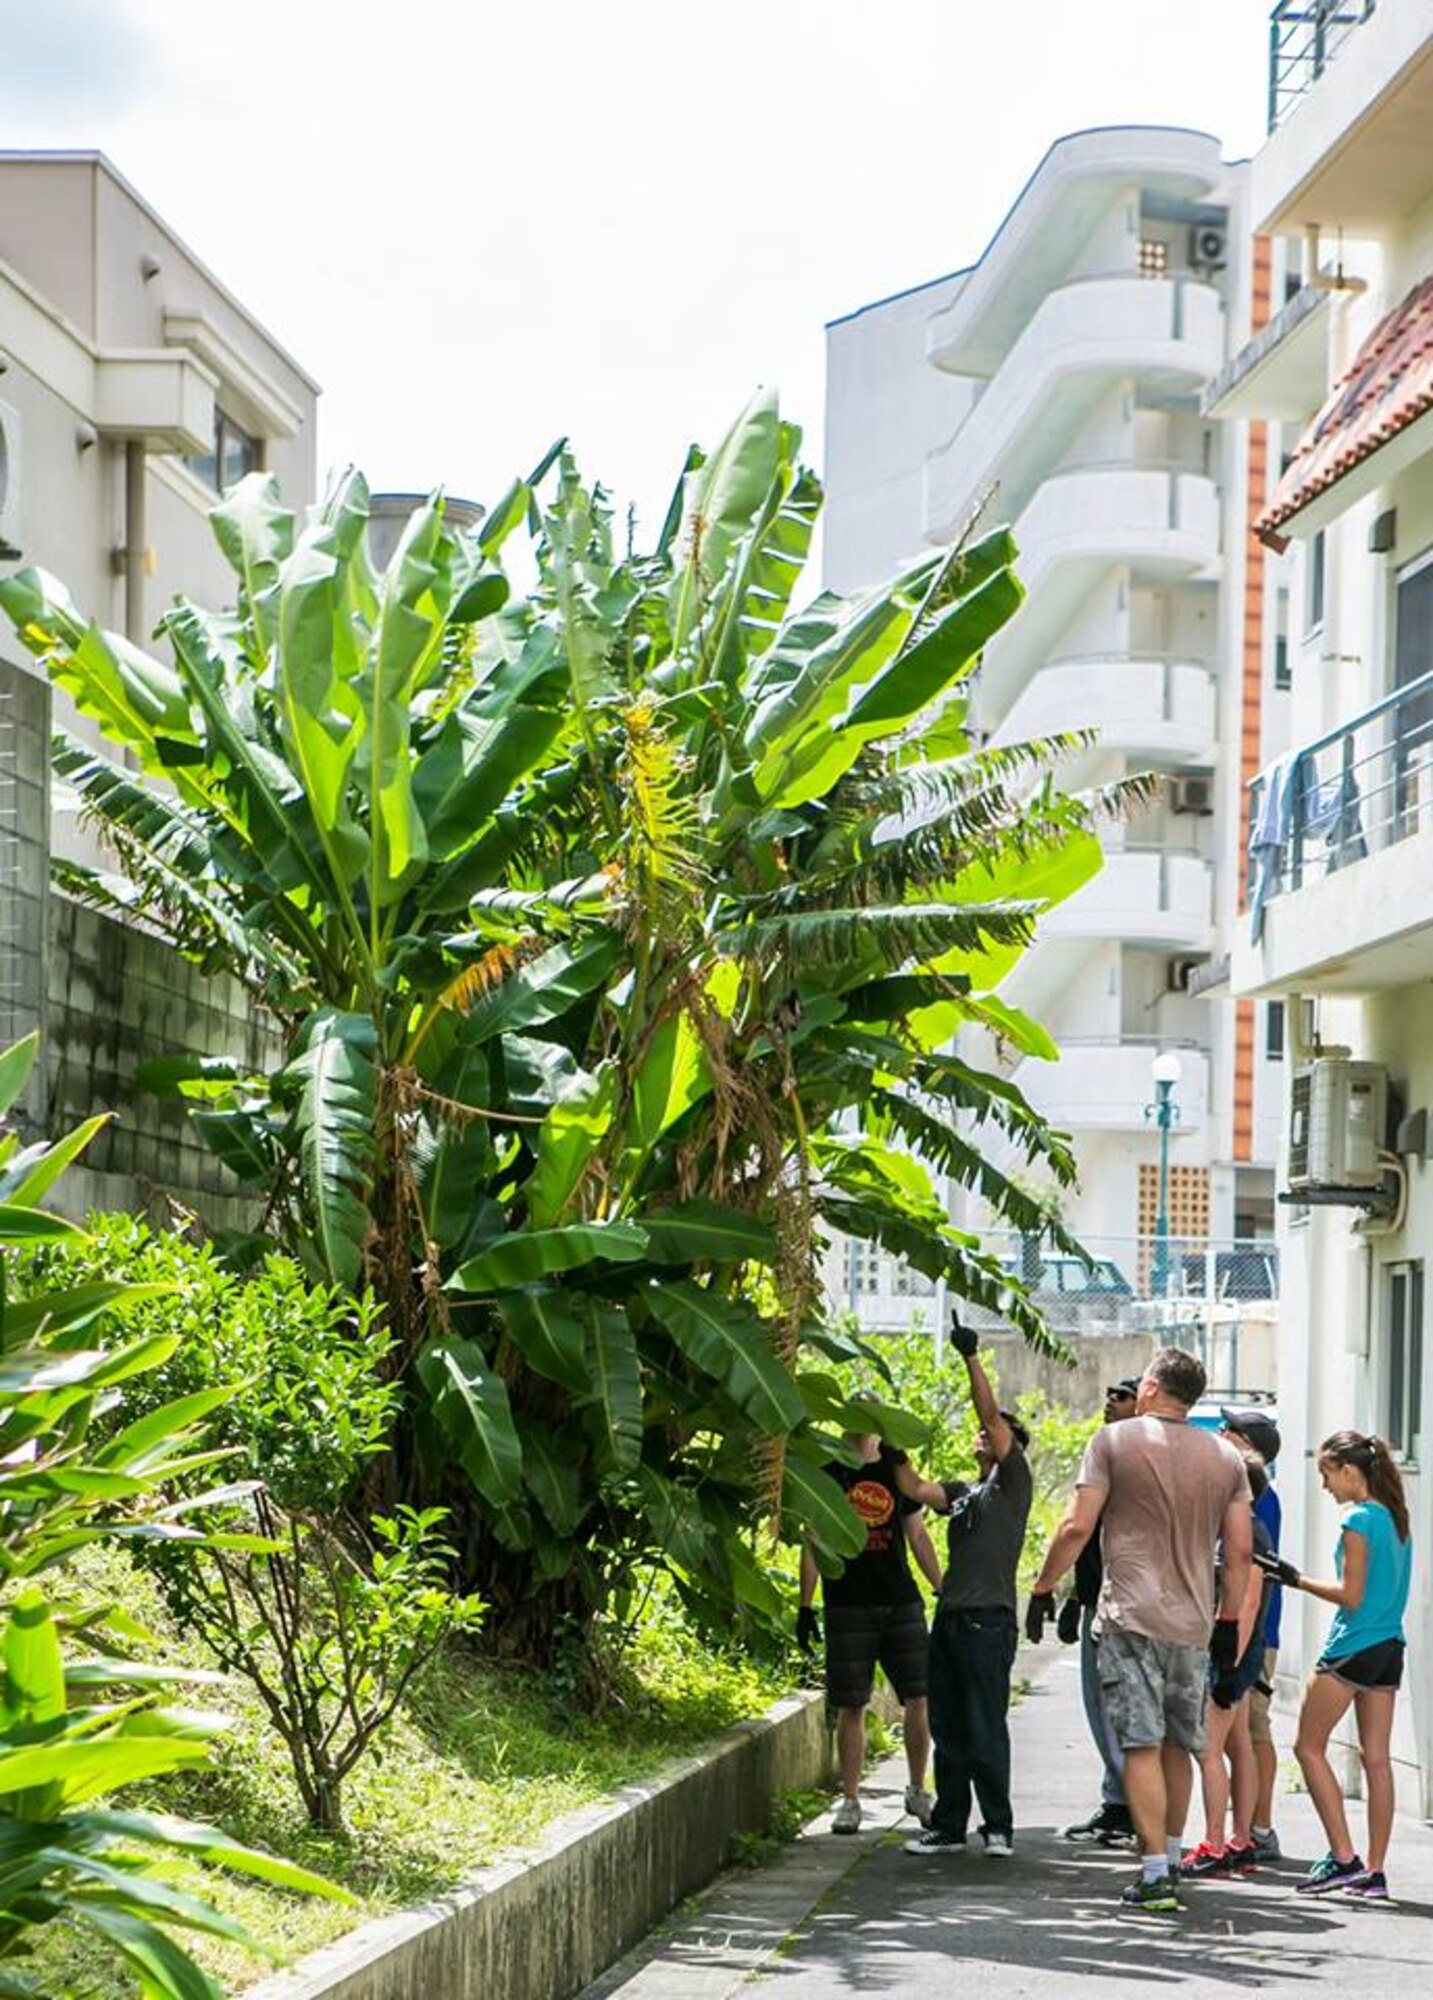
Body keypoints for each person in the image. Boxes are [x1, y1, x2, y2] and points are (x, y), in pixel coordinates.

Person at [1026, 1347, 1251, 1915]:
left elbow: (1076, 1526)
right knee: (1178, 1742)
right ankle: (1170, 1857)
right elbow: (1240, 1554)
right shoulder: (1225, 1458)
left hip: (1130, 1617)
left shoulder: (1114, 1441)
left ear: (1150, 1387)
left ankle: (1154, 1874)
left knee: (1141, 1744)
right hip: (1193, 1624)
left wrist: (1043, 1586)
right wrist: (1228, 1622)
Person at [903, 1315, 1033, 1860]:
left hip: (988, 1622)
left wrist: (970, 1358)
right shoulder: (963, 1492)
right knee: (949, 1727)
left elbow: (989, 1414)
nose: (984, 1433)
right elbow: (913, 1488)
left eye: (996, 1432)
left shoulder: (1013, 1483)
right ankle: (950, 1827)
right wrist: (886, 1438)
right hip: (952, 1619)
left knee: (984, 1727)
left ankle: (997, 1826)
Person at [1272, 1430, 1413, 1900]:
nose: (1326, 1486)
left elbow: (1351, 1596)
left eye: (1327, 1475)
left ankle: (1344, 1857)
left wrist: (1295, 1579)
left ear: (1349, 1472)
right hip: (1389, 1648)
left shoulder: (1357, 1520)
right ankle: (1374, 1872)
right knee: (1377, 1759)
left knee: (1307, 1747)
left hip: (1352, 1646)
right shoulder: (1396, 1518)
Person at [798, 1413, 945, 1834]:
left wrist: (941, 1588)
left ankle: (918, 1789)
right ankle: (850, 1800)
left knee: (919, 1697)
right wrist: (805, 1606)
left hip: (900, 1601)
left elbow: (918, 1534)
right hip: (848, 1604)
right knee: (852, 1704)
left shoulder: (896, 1470)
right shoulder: (829, 1471)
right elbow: (813, 1540)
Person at [1183, 1458, 1275, 1877]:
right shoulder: (1247, 1529)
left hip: (1234, 1652)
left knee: (1208, 1750)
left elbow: (1249, 1603)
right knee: (1238, 1744)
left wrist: (1229, 1665)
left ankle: (1215, 1843)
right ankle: (1240, 1840)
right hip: (1239, 1652)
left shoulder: (1247, 1534)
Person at [1059, 1377, 1140, 1846]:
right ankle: (1118, 1802)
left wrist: (1044, 1585)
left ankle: (1133, 1808)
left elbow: (1078, 1529)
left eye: (1122, 1395)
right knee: (1102, 1708)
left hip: (1125, 1605)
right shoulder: (1107, 1452)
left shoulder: (1135, 1460)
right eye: (1108, 1394)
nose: (1110, 1400)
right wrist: (1073, 1598)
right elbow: (1088, 1537)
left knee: (1120, 1710)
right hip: (1098, 1598)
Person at [1220, 1406, 1284, 1859]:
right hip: (1249, 1628)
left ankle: (1259, 1829)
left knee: (1252, 1730)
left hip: (1253, 1630)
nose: (1220, 1432)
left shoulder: (1257, 1496)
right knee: (1240, 1733)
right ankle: (1248, 1827)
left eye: (1230, 1429)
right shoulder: (1251, 1491)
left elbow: (1251, 1573)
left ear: (1249, 1447)